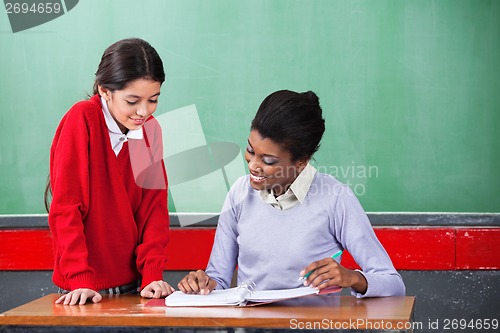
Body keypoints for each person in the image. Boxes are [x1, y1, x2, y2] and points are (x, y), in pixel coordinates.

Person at [178, 90, 405, 298]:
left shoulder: (335, 198)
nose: (253, 165)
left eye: (268, 161)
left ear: (301, 162)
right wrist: (202, 284)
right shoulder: (239, 192)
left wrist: (353, 277)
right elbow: (218, 279)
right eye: (250, 150)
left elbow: (393, 283)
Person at [45, 38, 174, 305]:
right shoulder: (82, 120)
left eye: (153, 100)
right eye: (132, 100)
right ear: (105, 91)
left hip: (136, 287)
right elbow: (67, 208)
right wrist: (80, 278)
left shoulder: (148, 131)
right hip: (83, 290)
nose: (143, 111)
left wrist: (152, 275)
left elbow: (153, 210)